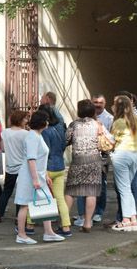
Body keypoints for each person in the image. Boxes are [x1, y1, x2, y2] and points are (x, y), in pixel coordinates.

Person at [14, 110, 66, 245]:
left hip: (37, 176)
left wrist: (44, 175)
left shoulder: (36, 135)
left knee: (45, 202)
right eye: (46, 120)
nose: (48, 122)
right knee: (25, 205)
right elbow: (31, 159)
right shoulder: (33, 136)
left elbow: (37, 159)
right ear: (42, 122)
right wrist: (35, 179)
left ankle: (48, 232)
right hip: (31, 177)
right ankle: (22, 234)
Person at [65, 100, 104, 232]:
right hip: (94, 161)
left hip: (78, 161)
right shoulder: (98, 125)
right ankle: (87, 223)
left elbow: (66, 140)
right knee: (91, 192)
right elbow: (108, 140)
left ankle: (65, 222)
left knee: (71, 191)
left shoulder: (74, 125)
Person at [109, 94, 137, 232]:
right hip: (135, 154)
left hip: (121, 155)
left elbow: (112, 141)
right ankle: (133, 219)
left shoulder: (118, 122)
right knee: (127, 188)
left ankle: (125, 220)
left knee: (124, 189)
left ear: (118, 107)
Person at [40, 103, 72, 236]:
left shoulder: (44, 131)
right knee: (60, 198)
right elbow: (64, 144)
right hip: (60, 166)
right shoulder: (60, 127)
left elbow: (44, 151)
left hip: (48, 167)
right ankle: (66, 227)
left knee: (41, 197)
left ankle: (30, 225)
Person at [0, 110, 29, 228]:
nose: (26, 120)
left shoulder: (5, 133)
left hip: (10, 166)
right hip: (23, 167)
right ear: (20, 120)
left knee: (6, 191)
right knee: (21, 193)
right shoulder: (26, 134)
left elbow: (3, 148)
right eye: (25, 118)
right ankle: (18, 217)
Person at [92, 93, 112, 222]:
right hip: (88, 155)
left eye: (100, 103)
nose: (98, 105)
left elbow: (111, 138)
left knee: (102, 185)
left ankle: (99, 211)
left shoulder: (109, 118)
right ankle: (88, 212)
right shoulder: (87, 116)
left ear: (105, 104)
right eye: (95, 102)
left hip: (102, 156)